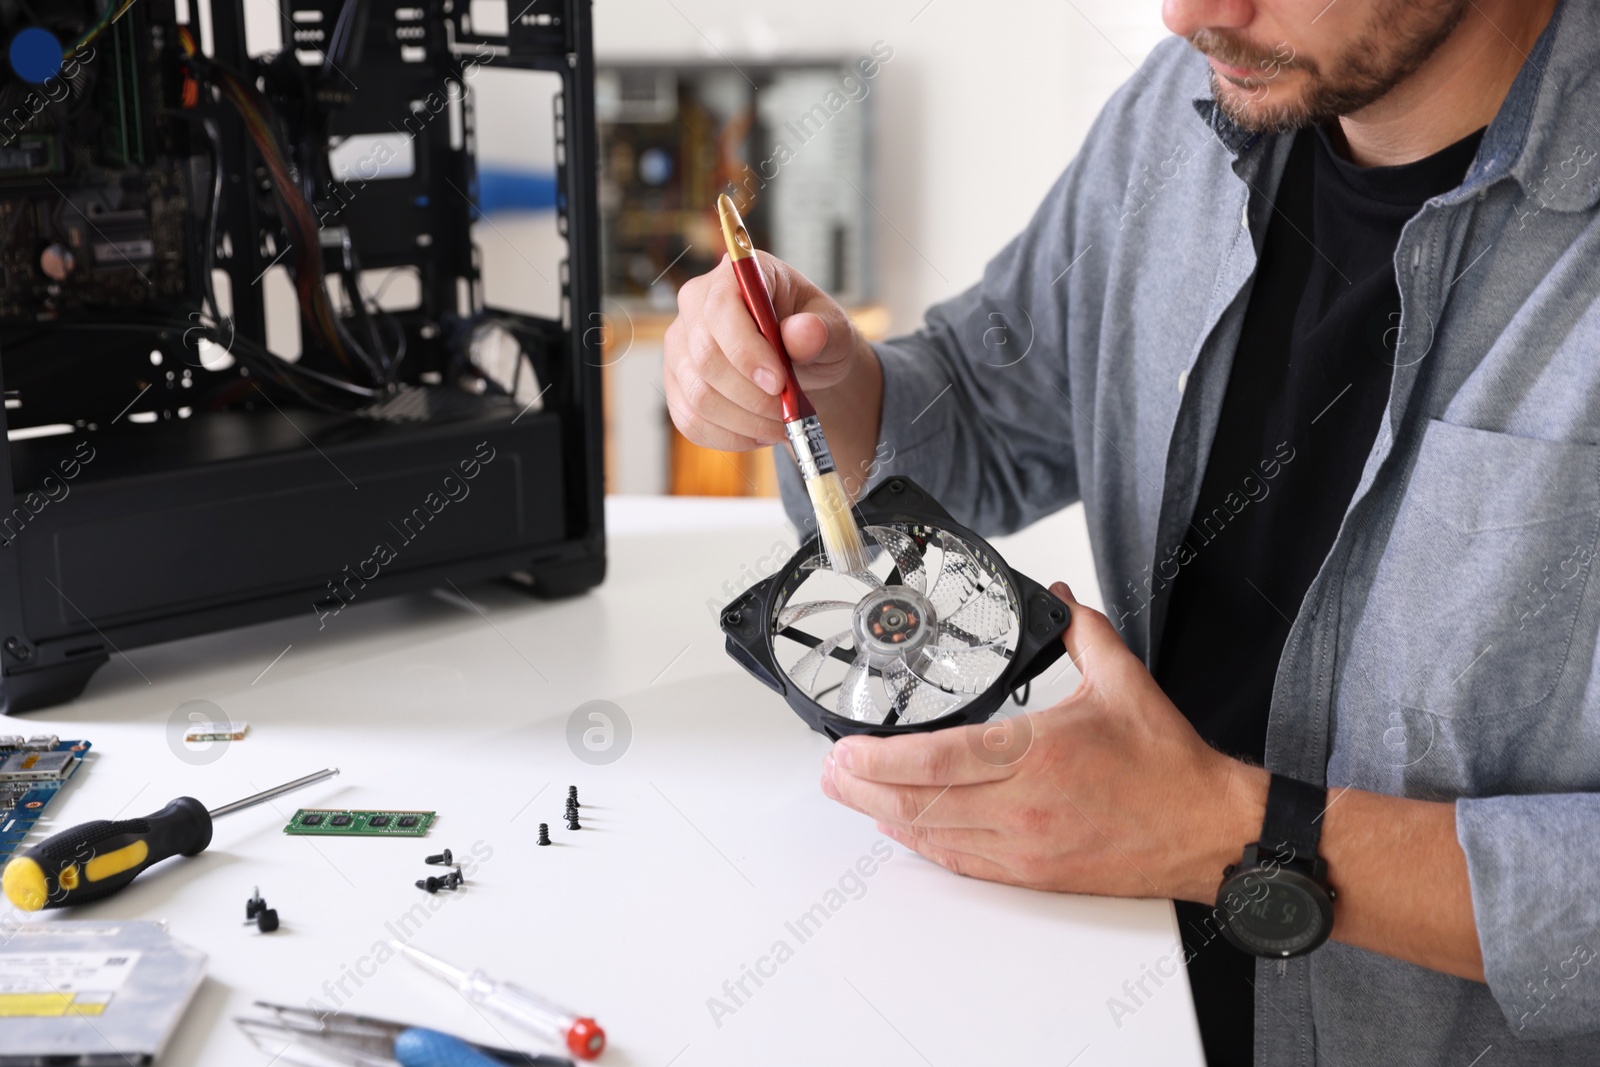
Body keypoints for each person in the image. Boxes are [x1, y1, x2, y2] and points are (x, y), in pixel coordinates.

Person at [663, 0, 1600, 1062]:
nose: (1187, 14)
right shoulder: (1193, 106)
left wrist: (1233, 835)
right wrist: (822, 383)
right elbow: (978, 408)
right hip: (1111, 996)